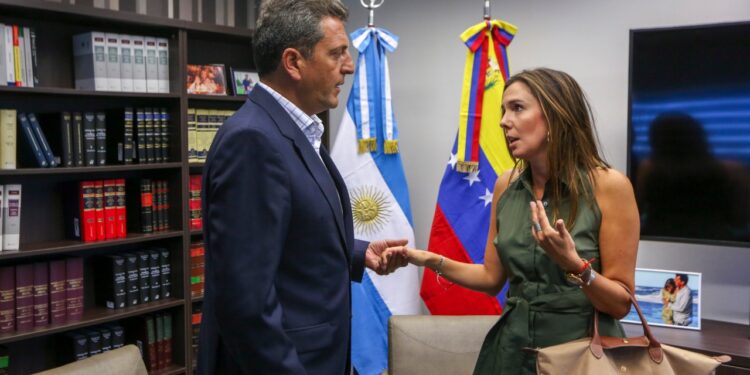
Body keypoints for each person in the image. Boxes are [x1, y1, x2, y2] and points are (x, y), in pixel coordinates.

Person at [196, 1, 406, 374]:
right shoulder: (252, 141)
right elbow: (246, 303)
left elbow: (290, 235)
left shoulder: (296, 129)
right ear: (293, 62)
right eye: (337, 53)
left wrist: (357, 253)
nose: (350, 65)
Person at [395, 68, 640, 374]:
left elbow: (620, 304)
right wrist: (430, 259)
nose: (503, 121)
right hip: (512, 352)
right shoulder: (505, 186)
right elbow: (490, 278)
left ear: (554, 116)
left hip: (581, 356)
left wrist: (575, 265)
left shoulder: (609, 186)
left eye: (517, 108)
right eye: (503, 110)